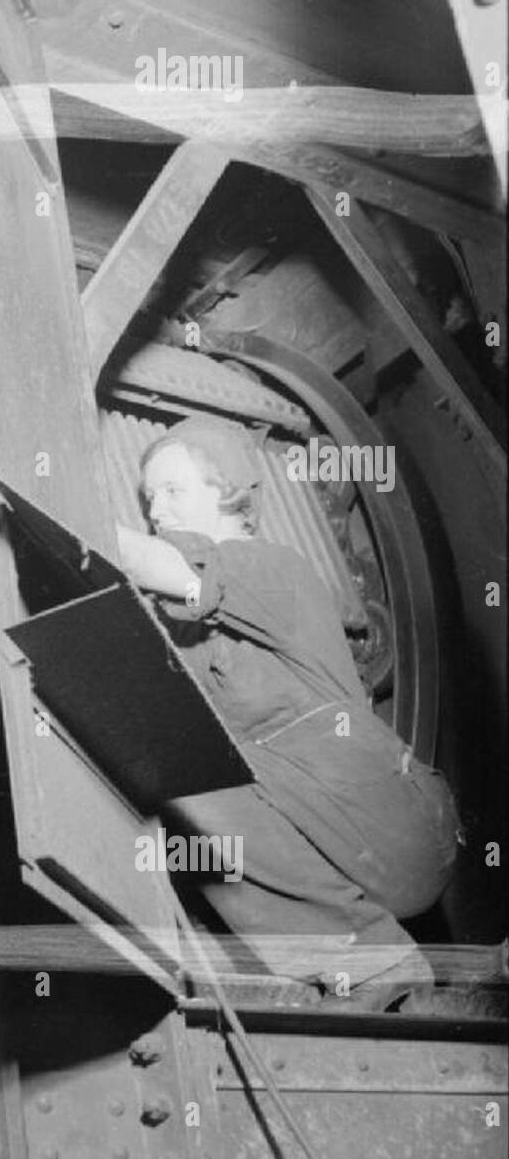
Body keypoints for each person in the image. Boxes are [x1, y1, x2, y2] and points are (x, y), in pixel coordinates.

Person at [115, 415, 460, 1009]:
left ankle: (372, 963)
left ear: (227, 493)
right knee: (167, 766)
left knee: (185, 768)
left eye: (174, 490)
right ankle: (339, 969)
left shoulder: (271, 568)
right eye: (148, 498)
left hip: (391, 822)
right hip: (317, 830)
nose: (156, 510)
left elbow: (169, 567)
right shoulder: (186, 632)